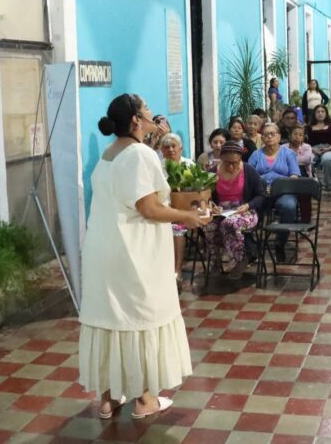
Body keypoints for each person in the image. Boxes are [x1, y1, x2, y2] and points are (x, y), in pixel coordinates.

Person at [79, 93, 210, 420]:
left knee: (110, 319)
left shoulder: (110, 154)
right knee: (139, 318)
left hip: (102, 248)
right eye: (147, 108)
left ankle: (108, 399)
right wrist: (188, 217)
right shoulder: (139, 155)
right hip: (133, 252)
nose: (153, 112)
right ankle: (144, 400)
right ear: (136, 120)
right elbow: (148, 208)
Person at [205, 141, 264, 279]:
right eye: (227, 163)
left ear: (240, 160)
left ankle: (240, 259)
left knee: (230, 224)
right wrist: (212, 205)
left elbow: (261, 195)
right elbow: (205, 196)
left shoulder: (248, 170)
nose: (231, 166)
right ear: (221, 158)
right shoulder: (212, 172)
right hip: (221, 211)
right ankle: (216, 261)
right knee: (208, 225)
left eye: (235, 163)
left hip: (244, 210)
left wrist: (248, 205)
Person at [248, 123, 301, 261]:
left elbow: (295, 175)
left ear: (279, 137)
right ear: (262, 138)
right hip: (260, 193)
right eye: (266, 134)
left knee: (289, 206)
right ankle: (252, 244)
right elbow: (248, 176)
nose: (269, 137)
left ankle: (280, 242)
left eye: (272, 133)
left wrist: (281, 185)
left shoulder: (288, 153)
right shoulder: (256, 155)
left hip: (283, 192)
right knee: (247, 207)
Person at [160, 133, 195, 292]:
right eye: (166, 147)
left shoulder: (189, 165)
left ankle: (177, 271)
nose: (171, 150)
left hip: (184, 212)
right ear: (161, 149)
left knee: (177, 229)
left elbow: (197, 192)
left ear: (181, 148)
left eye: (174, 146)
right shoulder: (157, 167)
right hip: (162, 211)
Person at [307, 104, 331, 191]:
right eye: (318, 112)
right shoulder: (309, 127)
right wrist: (312, 149)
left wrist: (328, 149)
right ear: (314, 114)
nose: (320, 114)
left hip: (330, 148)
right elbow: (305, 143)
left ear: (326, 113)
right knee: (307, 159)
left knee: (327, 159)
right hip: (313, 149)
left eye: (322, 111)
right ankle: (312, 183)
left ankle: (329, 183)